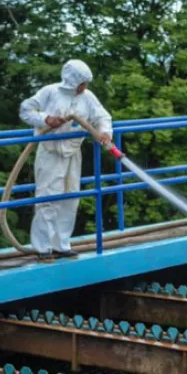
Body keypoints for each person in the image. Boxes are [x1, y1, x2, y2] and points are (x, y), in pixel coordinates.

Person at [19, 60, 113, 262]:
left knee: (71, 197)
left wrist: (105, 132)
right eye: (82, 83)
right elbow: (26, 110)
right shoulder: (50, 92)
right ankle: (43, 247)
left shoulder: (87, 97)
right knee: (47, 198)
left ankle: (61, 244)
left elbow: (102, 116)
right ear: (72, 81)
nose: (84, 87)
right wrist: (45, 119)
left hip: (72, 151)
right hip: (50, 151)